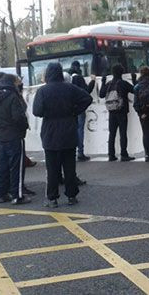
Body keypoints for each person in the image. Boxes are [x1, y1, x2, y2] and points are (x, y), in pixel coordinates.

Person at [33, 63, 93, 207]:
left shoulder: (43, 91)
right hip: (68, 130)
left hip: (50, 132)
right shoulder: (70, 88)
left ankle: (52, 198)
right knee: (69, 167)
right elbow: (87, 99)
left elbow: (37, 111)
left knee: (52, 168)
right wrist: (74, 111)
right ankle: (71, 195)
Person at [0, 74, 31, 205]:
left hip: (1, 135)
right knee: (17, 166)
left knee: (3, 166)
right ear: (11, 83)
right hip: (15, 135)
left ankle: (2, 193)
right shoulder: (12, 97)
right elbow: (18, 117)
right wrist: (24, 127)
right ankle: (17, 195)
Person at [99, 64, 136, 162]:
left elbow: (101, 94)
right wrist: (134, 79)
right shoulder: (123, 83)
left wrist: (103, 81)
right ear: (122, 73)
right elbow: (135, 90)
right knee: (122, 133)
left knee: (112, 133)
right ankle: (124, 154)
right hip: (122, 111)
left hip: (111, 111)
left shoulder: (109, 84)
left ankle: (111, 154)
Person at [69, 61, 96, 162]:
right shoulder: (79, 78)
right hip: (79, 108)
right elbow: (86, 91)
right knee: (80, 129)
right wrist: (93, 81)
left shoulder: (67, 79)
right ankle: (80, 152)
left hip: (69, 108)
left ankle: (72, 151)